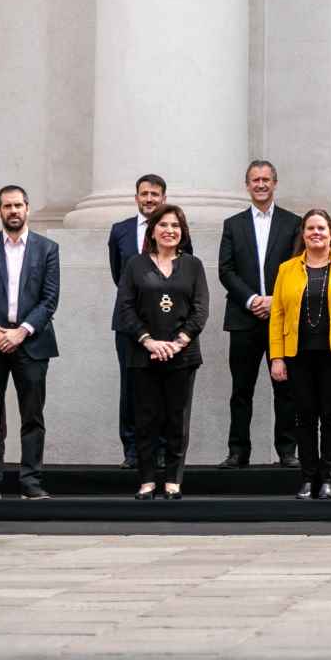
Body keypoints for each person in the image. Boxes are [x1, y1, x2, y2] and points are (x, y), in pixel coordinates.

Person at [0, 185, 61, 501]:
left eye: (18, 205)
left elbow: (49, 300)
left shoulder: (47, 248)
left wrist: (21, 331)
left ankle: (31, 481)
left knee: (32, 415)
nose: (13, 211)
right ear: (0, 211)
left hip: (31, 343)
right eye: (7, 206)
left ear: (27, 208)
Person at [269, 208, 331, 500]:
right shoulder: (287, 269)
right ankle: (308, 479)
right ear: (303, 234)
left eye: (321, 228)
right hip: (297, 354)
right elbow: (277, 316)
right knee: (304, 417)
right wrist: (277, 357)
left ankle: (327, 479)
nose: (316, 233)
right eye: (310, 228)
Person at [118, 203, 209, 501]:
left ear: (182, 233)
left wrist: (178, 342)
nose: (170, 231)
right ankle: (146, 481)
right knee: (145, 419)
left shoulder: (193, 265)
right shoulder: (135, 264)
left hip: (182, 356)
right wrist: (149, 341)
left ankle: (173, 480)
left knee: (176, 419)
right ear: (152, 230)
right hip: (143, 355)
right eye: (164, 225)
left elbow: (200, 309)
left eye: (175, 226)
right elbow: (126, 308)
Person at [217, 159, 303, 468]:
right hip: (244, 317)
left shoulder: (294, 223)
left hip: (282, 319)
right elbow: (225, 271)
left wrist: (274, 300)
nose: (261, 184)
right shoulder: (233, 224)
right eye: (255, 180)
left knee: (287, 387)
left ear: (275, 183)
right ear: (247, 185)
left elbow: (298, 267)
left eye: (266, 179)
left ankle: (287, 450)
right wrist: (253, 299)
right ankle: (238, 451)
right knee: (241, 389)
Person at [108, 174, 190, 468]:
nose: (149, 199)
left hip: (168, 327)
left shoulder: (174, 231)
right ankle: (132, 450)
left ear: (163, 198)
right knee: (131, 389)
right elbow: (120, 277)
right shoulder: (120, 231)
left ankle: (162, 450)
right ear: (136, 197)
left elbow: (183, 276)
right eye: (144, 194)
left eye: (155, 194)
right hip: (130, 326)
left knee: (167, 393)